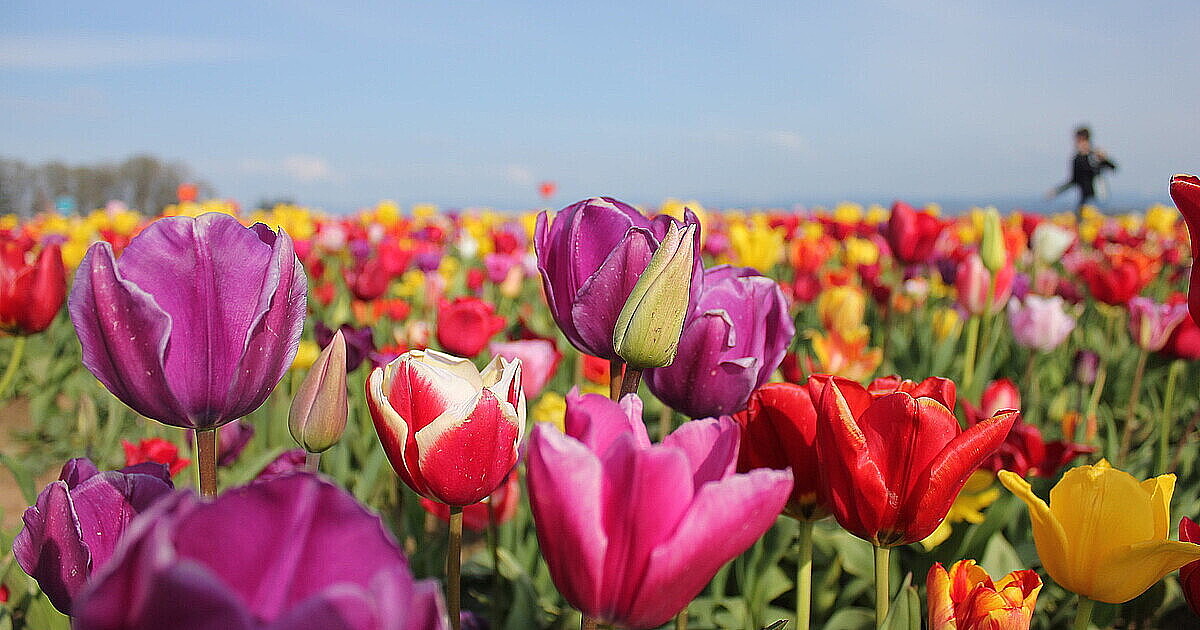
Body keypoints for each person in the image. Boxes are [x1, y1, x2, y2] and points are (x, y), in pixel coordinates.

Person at [1047, 126, 1117, 214]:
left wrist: (1105, 158)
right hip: (1085, 198)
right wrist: (1057, 191)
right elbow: (1074, 180)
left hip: (1100, 197)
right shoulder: (1077, 159)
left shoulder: (1095, 155)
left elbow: (1113, 168)